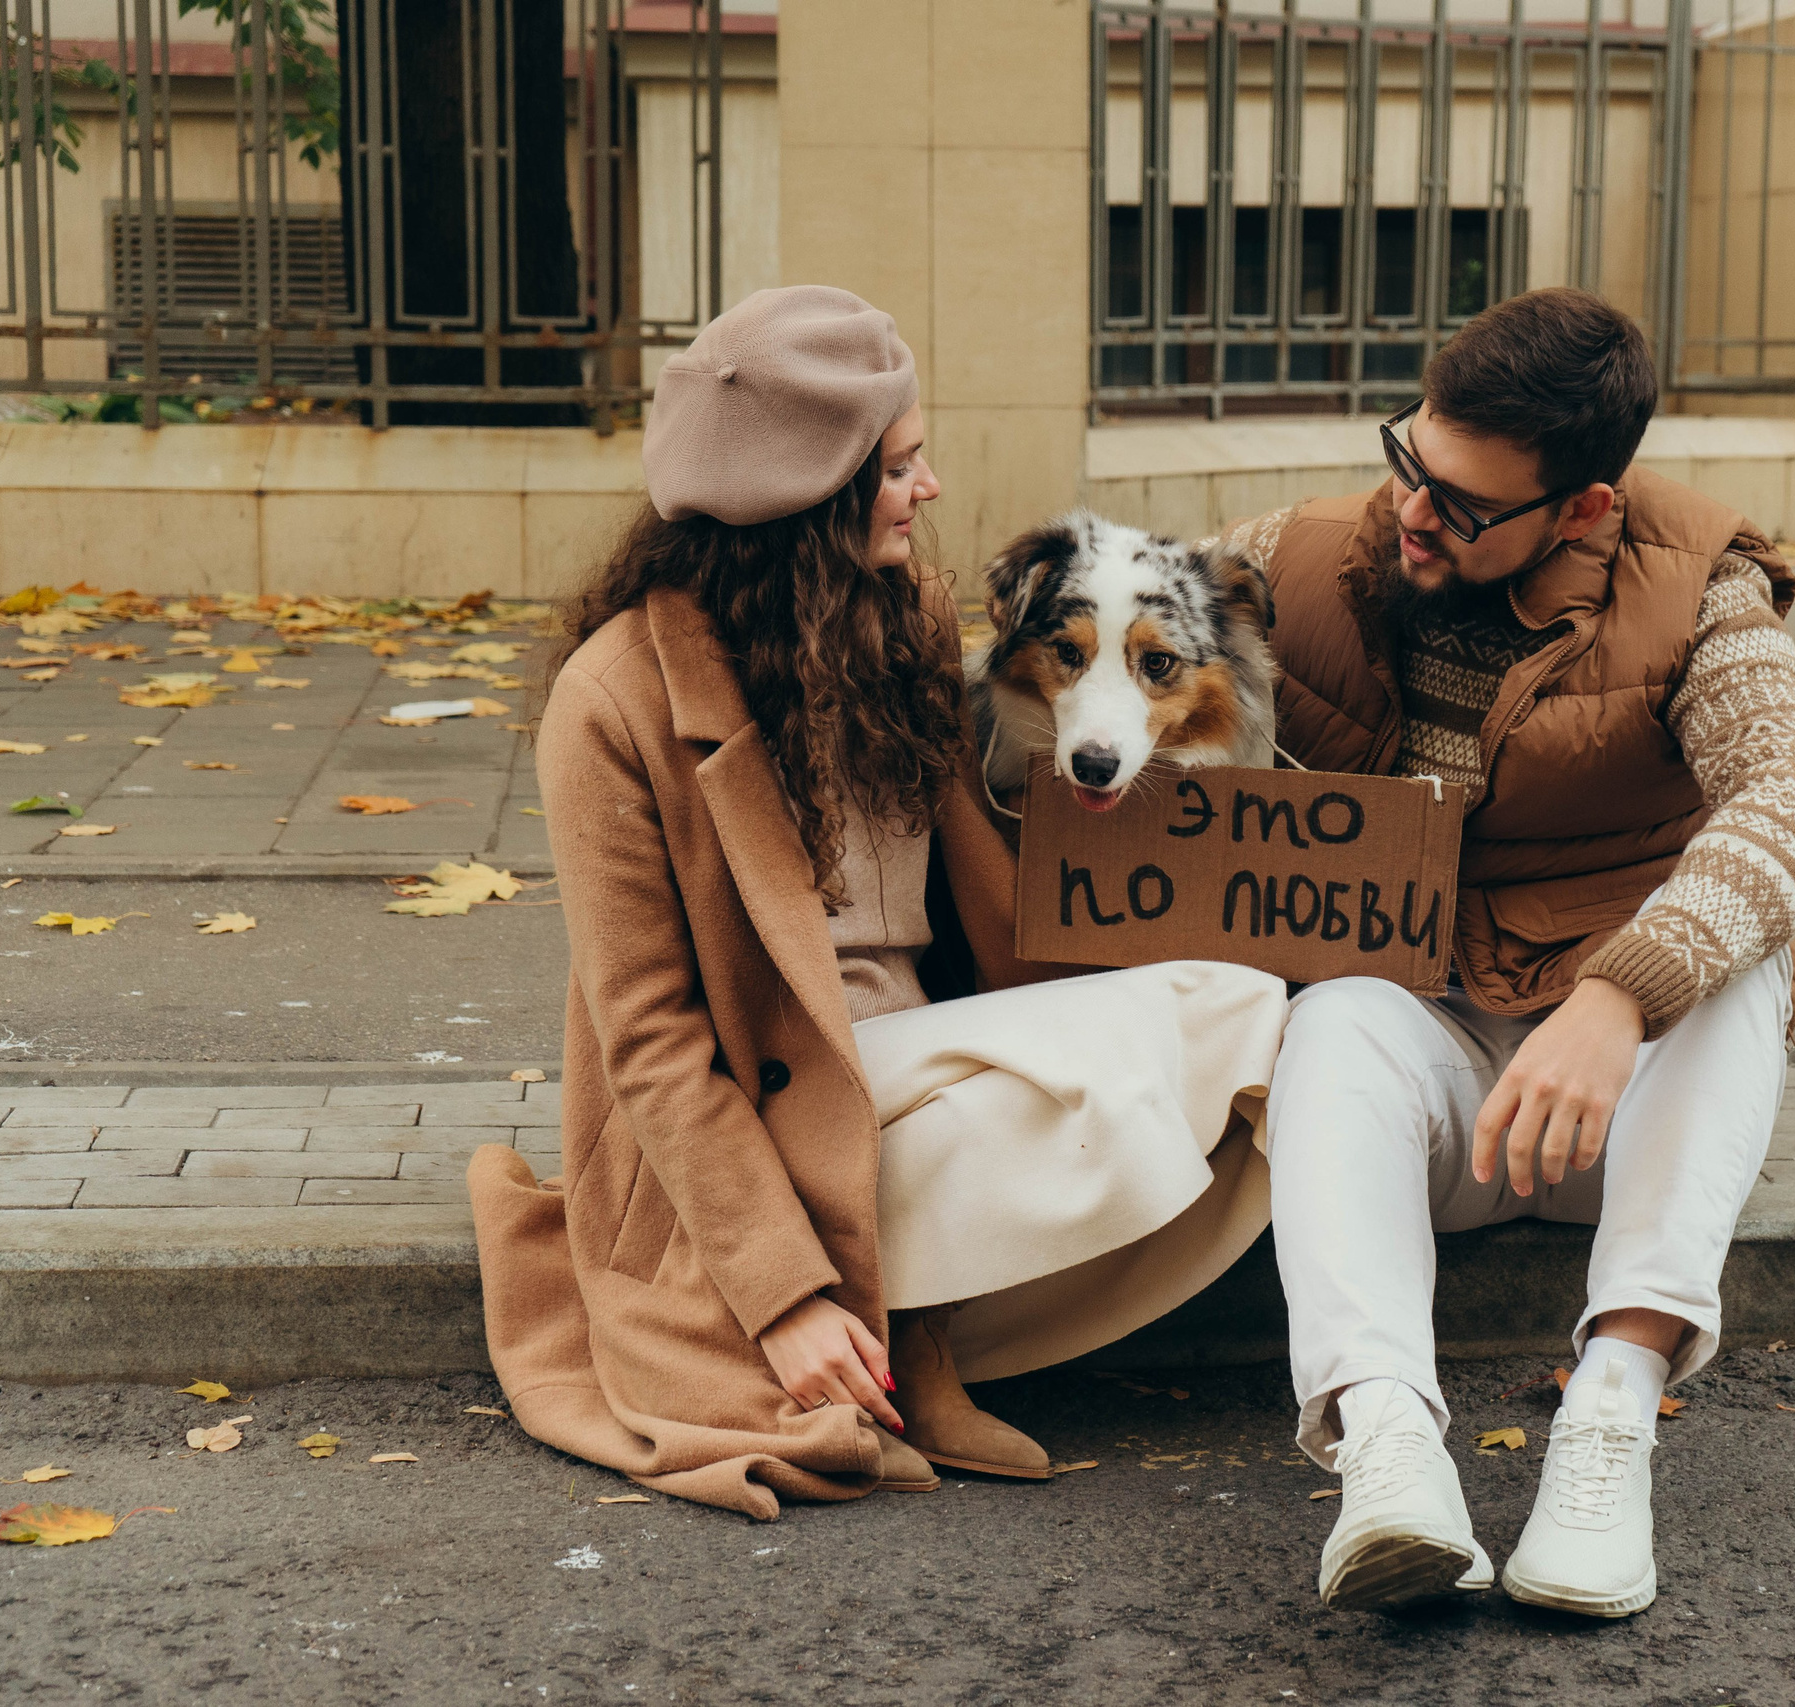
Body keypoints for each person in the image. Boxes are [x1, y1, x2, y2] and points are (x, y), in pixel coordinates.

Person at [467, 286, 1285, 1521]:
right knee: (1123, 1055)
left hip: (919, 1051)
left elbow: (975, 889)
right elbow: (650, 1040)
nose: (930, 487)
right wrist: (781, 1296)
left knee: (1238, 1008)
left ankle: (922, 1318)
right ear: (810, 494)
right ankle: (894, 1333)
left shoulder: (900, 613)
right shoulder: (611, 701)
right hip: (775, 1097)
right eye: (899, 467)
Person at [1225, 287, 1795, 1615]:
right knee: (1334, 1017)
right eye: (1410, 459)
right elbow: (1094, 626)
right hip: (1435, 1075)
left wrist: (1619, 997)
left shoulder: (1699, 586)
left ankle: (1609, 1419)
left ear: (1582, 508)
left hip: (1627, 1107)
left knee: (1744, 963)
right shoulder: (1294, 560)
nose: (1414, 511)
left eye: (1464, 506)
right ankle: (1388, 1446)